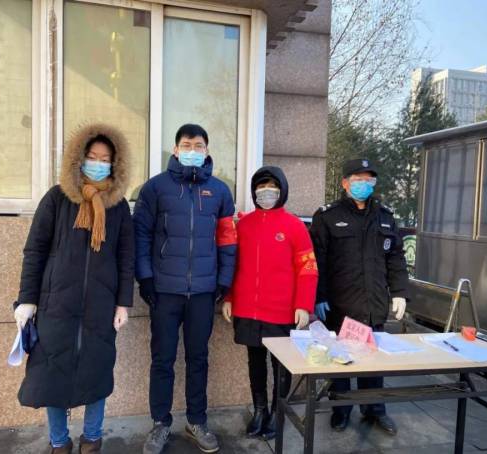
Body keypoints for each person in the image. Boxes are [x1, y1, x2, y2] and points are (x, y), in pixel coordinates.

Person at [13, 123, 135, 454]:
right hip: (56, 305)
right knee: (52, 374)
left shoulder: (119, 208)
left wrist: (123, 303)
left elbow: (126, 258)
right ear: (79, 159)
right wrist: (27, 300)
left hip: (101, 308)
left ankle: (92, 440)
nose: (98, 163)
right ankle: (59, 442)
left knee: (97, 374)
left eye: (105, 159)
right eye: (93, 156)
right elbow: (35, 250)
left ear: (115, 164)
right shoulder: (57, 198)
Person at [133, 124, 237, 454]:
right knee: (162, 359)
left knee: (198, 358)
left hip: (204, 292)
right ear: (176, 150)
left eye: (199, 145)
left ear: (207, 150)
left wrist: (224, 281)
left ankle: (197, 420)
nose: (193, 150)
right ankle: (160, 423)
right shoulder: (155, 188)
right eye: (187, 145)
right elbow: (141, 236)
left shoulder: (220, 191)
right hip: (165, 291)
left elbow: (227, 241)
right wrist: (145, 278)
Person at [309, 158, 409, 435]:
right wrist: (319, 296)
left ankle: (375, 409)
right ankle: (341, 410)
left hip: (373, 303)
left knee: (373, 363)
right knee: (341, 361)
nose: (363, 184)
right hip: (340, 304)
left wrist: (400, 292)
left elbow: (396, 258)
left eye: (368, 180)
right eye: (357, 179)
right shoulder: (328, 216)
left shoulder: (385, 216)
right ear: (345, 183)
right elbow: (317, 260)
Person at [221, 166, 318, 440]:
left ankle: (278, 412)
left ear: (282, 190)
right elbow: (233, 265)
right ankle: (260, 410)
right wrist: (229, 297)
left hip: (281, 311)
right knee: (255, 361)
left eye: (272, 186)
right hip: (247, 309)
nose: (266, 191)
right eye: (261, 186)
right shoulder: (244, 225)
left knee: (280, 364)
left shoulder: (295, 226)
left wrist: (303, 305)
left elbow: (308, 268)